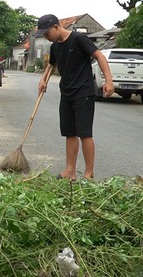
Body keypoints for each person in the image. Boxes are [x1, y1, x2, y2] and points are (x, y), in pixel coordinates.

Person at [36, 14, 114, 181]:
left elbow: (100, 56)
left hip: (83, 92)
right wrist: (43, 80)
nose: (46, 37)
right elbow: (51, 65)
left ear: (56, 27)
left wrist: (108, 80)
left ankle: (89, 173)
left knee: (85, 133)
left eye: (47, 33)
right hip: (67, 92)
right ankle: (69, 171)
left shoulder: (79, 39)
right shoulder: (55, 46)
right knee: (69, 132)